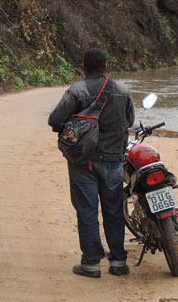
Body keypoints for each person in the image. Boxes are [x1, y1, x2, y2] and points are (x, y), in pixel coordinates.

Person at [48, 48, 135, 278]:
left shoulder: (77, 91)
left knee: (87, 211)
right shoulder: (123, 91)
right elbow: (130, 121)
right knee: (114, 212)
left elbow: (55, 121)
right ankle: (117, 262)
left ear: (83, 68)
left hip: (83, 162)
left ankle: (91, 264)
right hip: (114, 162)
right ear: (106, 67)